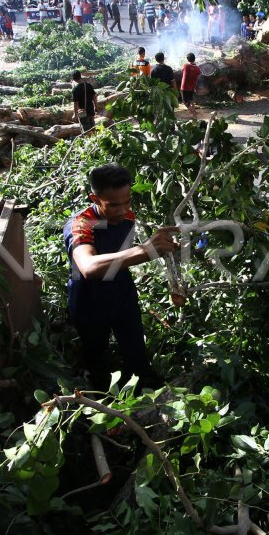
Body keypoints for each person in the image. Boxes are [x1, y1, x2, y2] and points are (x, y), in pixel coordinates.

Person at [63, 164, 181, 386]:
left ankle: (145, 387)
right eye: (113, 205)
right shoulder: (81, 224)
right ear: (95, 199)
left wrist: (166, 248)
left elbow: (122, 250)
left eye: (127, 201)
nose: (123, 210)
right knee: (95, 357)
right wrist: (145, 250)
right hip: (89, 301)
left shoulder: (127, 216)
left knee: (137, 354)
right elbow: (88, 266)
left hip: (122, 293)